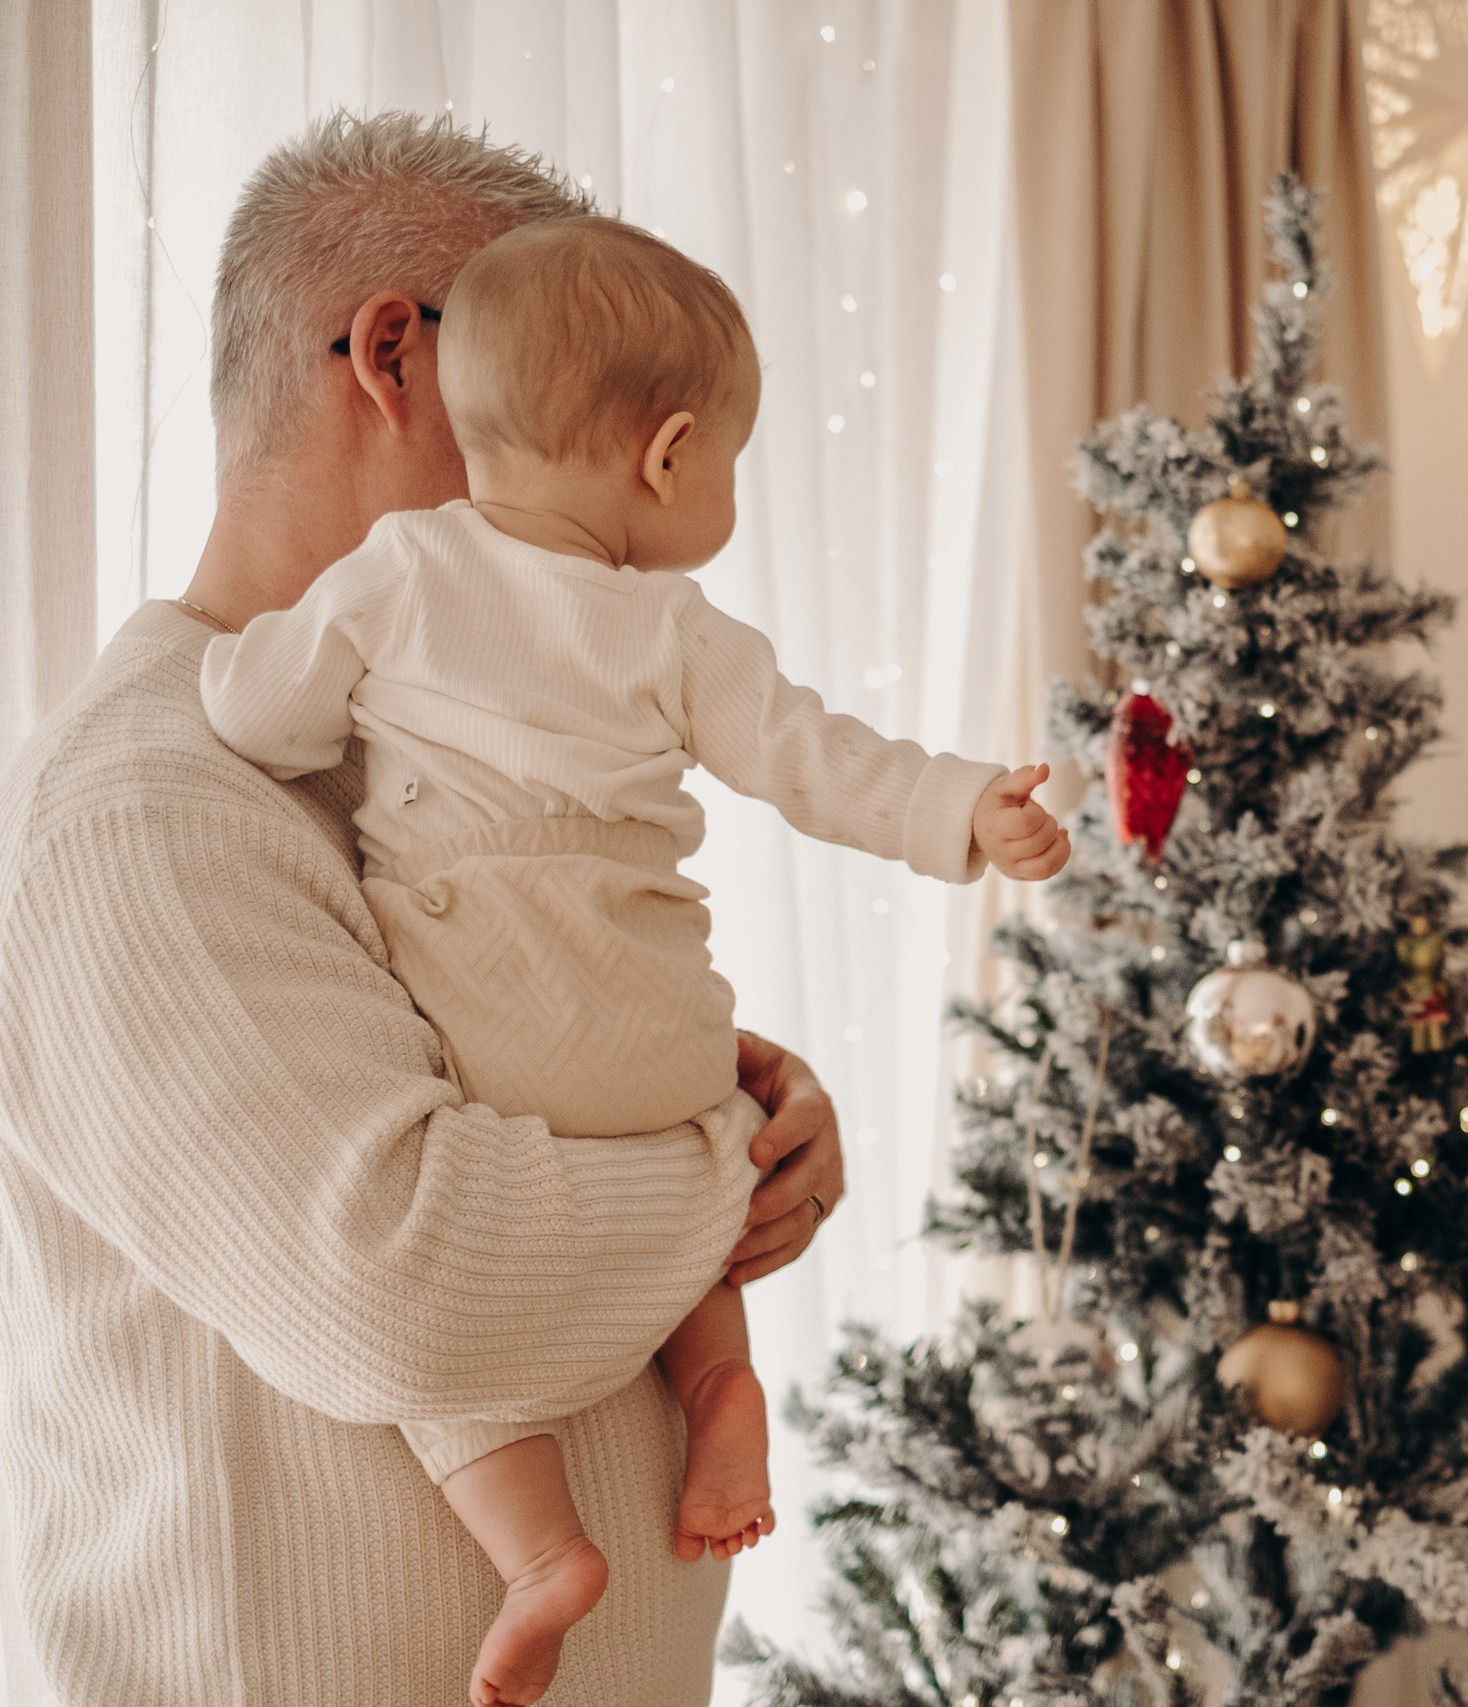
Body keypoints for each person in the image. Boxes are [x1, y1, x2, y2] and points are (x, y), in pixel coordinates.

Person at [0, 114, 846, 1707]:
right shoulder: (145, 809)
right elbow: (410, 1284)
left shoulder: (417, 751)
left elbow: (519, 1080)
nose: (617, 475)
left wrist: (750, 1100)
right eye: (560, 390)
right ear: (395, 357)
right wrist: (717, 1175)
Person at [194, 213, 1070, 1707]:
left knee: (456, 1374)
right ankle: (721, 1381)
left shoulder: (399, 571)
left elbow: (261, 720)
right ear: (667, 459)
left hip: (488, 1023)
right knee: (683, 1154)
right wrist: (962, 809)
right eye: (728, 457)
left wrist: (248, 670)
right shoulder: (676, 627)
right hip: (664, 1023)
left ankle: (540, 1552)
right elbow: (818, 763)